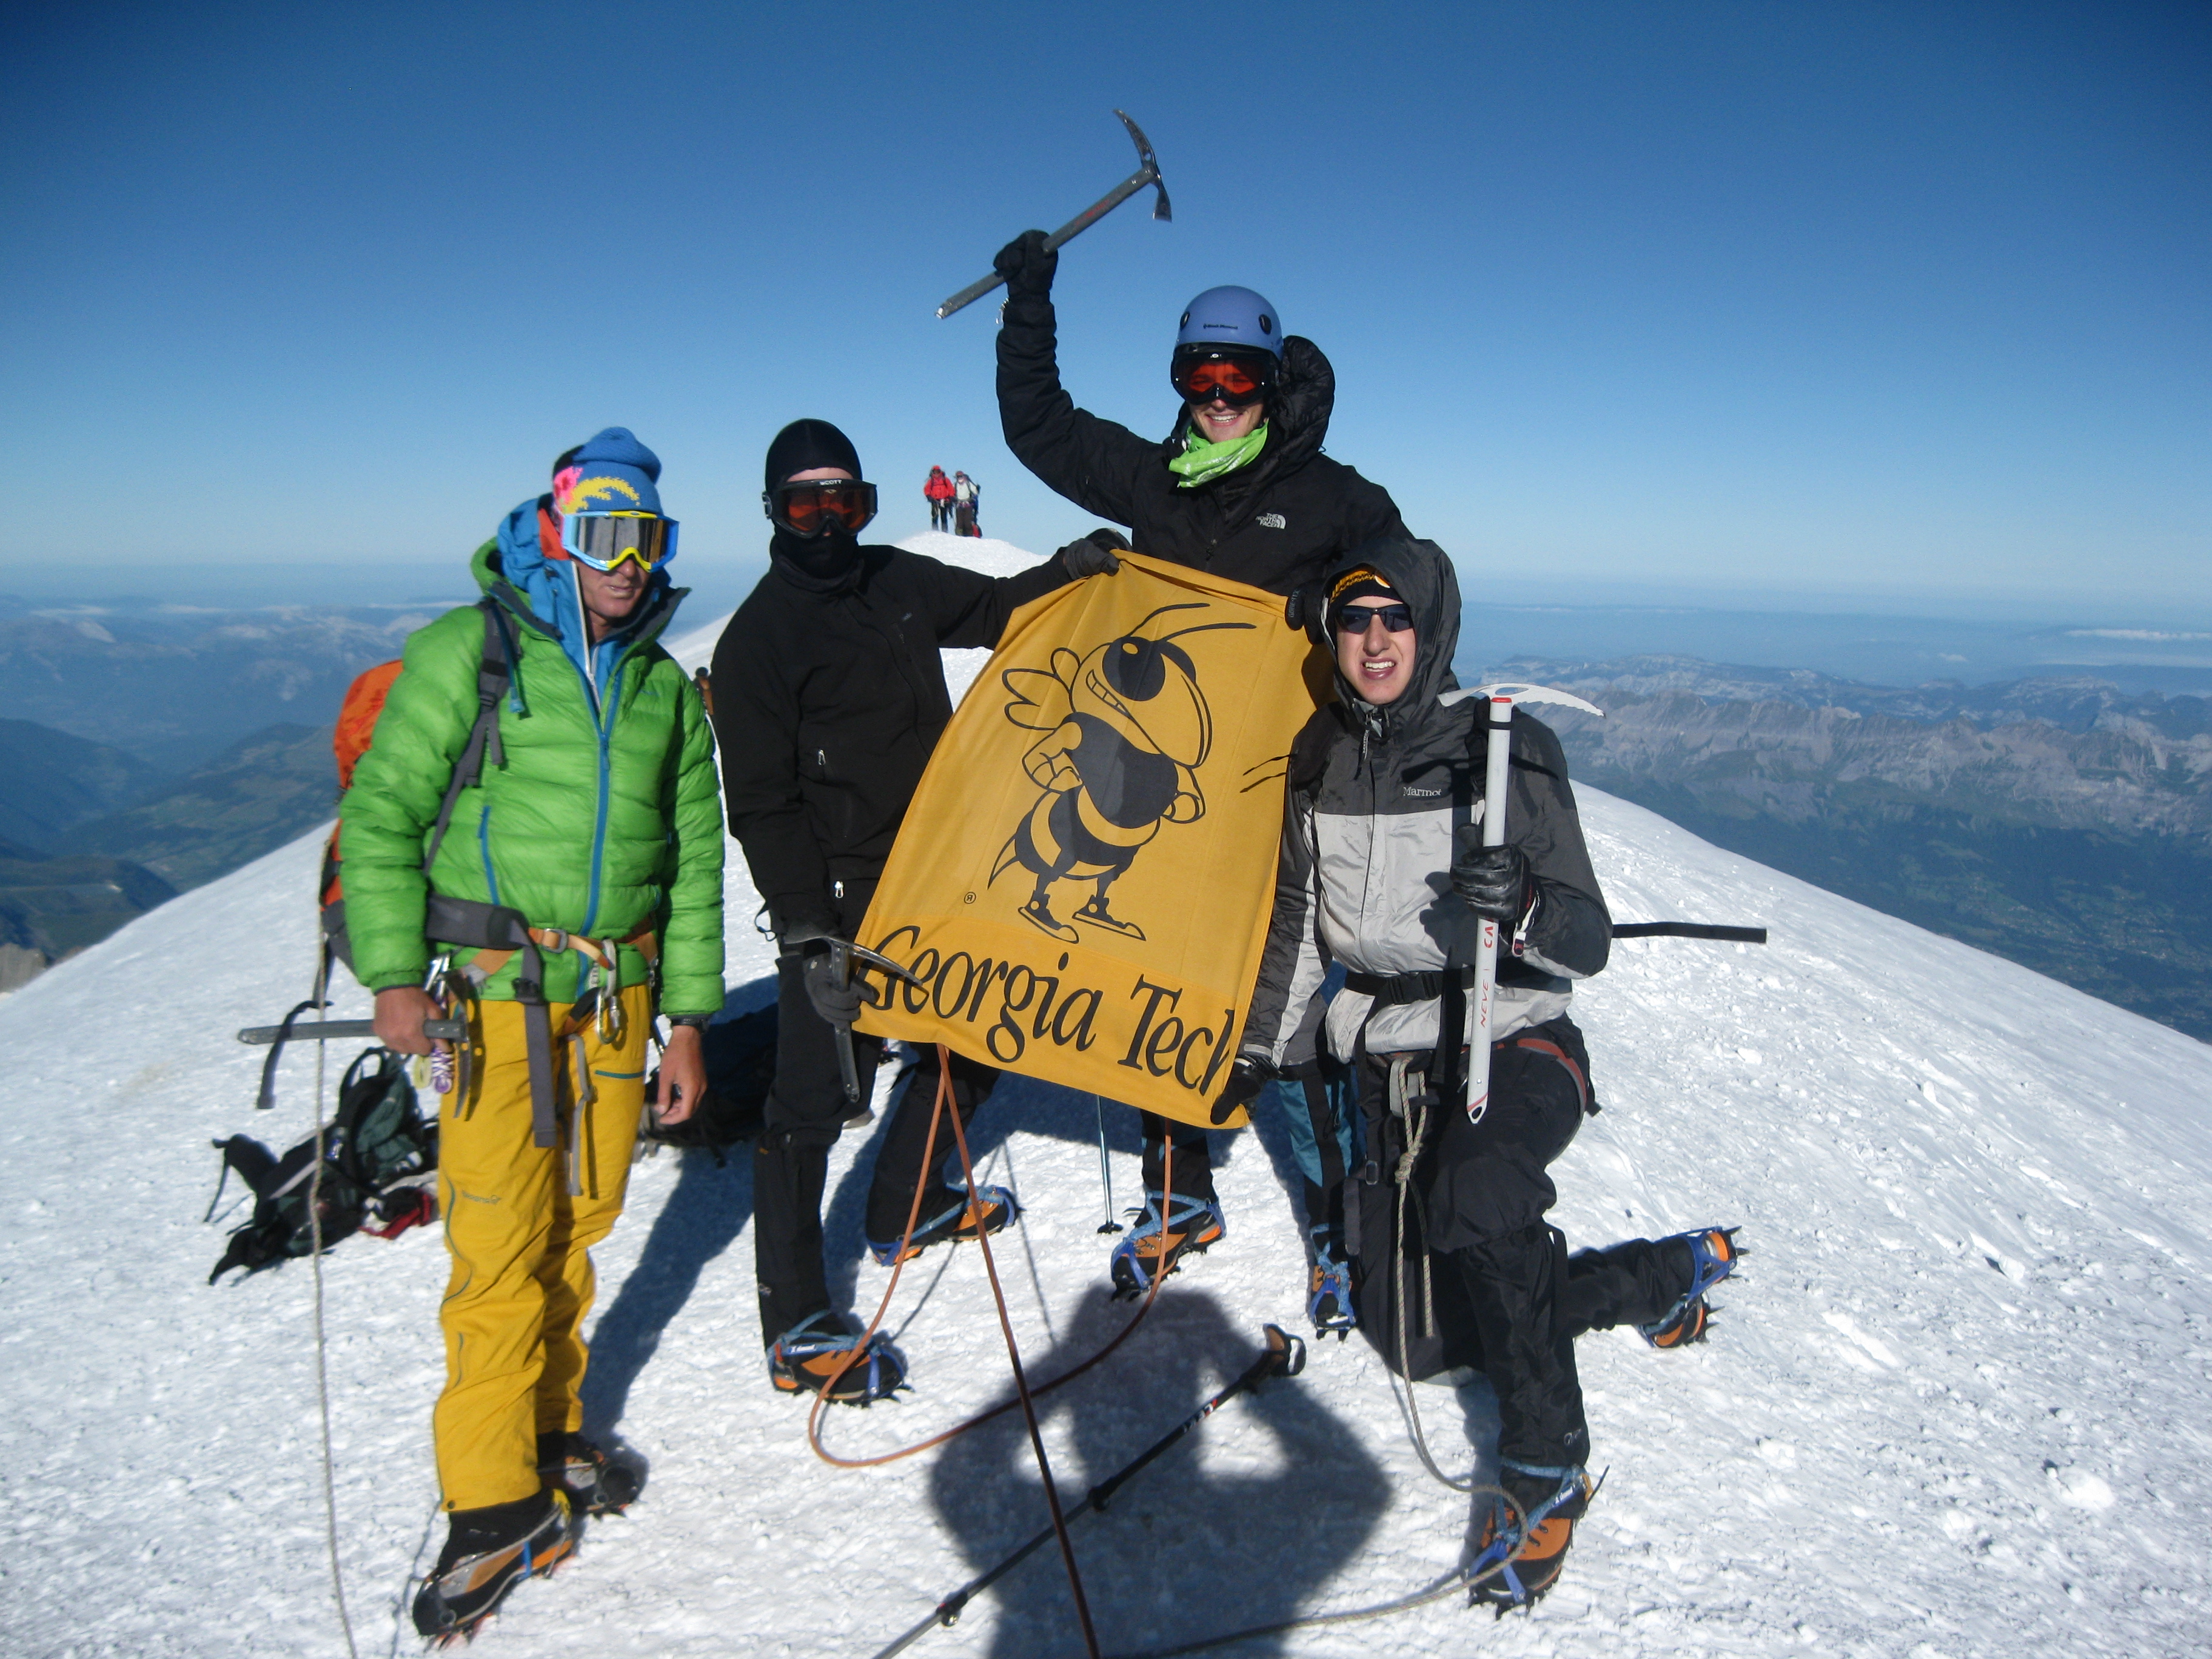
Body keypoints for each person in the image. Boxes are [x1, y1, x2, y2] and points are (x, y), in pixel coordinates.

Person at [1224, 537, 1738, 1608]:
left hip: (1509, 1034)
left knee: (1477, 1194)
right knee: (1415, 1340)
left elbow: (1586, 939)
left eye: (1394, 620)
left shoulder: (1505, 751)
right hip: (1388, 1055)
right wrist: (1265, 1052)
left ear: (1430, 630)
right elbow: (1297, 933)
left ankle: (1546, 1467)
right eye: (1354, 620)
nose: (1373, 640)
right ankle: (1658, 1274)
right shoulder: (1318, 760)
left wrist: (1528, 907)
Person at [343, 428, 725, 1641]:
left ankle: (551, 1436)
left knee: (582, 1224)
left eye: (648, 539)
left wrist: (690, 1025)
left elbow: (696, 870)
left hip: (614, 1005)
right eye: (608, 534)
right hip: (496, 1000)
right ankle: (489, 1504)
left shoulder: (665, 687)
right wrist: (395, 976)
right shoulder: (476, 651)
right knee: (499, 1249)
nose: (628, 561)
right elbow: (386, 809)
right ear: (559, 531)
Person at [990, 226, 1409, 1309]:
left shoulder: (1333, 500)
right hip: (1177, 806)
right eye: (1198, 375)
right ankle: (1179, 1186)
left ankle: (1339, 1226)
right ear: (1178, 381)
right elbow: (1039, 428)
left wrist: (1335, 617)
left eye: (1239, 378)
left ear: (1272, 384)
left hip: (1285, 795)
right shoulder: (1158, 481)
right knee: (1161, 978)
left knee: (1296, 1011)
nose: (1218, 397)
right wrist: (1028, 303)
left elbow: (1404, 599)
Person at [711, 419, 1113, 1401]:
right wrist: (806, 926)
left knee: (969, 1040)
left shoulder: (893, 580)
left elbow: (993, 609)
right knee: (808, 1106)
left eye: (842, 500)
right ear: (774, 511)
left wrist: (1071, 568)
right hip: (838, 902)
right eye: (804, 501)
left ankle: (907, 1202)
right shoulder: (758, 639)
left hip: (936, 872)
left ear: (865, 505)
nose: (825, 520)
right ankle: (795, 1317)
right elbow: (760, 802)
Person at [925, 464, 954, 532]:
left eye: (938, 471)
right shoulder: (931, 481)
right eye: (935, 472)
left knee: (944, 517)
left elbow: (951, 488)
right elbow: (927, 489)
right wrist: (929, 496)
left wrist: (951, 496)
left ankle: (945, 531)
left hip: (945, 500)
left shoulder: (945, 480)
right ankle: (935, 531)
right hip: (935, 501)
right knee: (935, 516)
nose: (936, 473)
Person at [951, 468, 979, 535]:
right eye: (958, 477)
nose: (960, 478)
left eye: (961, 476)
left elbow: (975, 492)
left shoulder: (969, 484)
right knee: (959, 523)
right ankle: (959, 536)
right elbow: (951, 493)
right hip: (959, 505)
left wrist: (972, 499)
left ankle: (969, 536)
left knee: (968, 522)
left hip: (968, 505)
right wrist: (953, 499)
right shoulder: (955, 485)